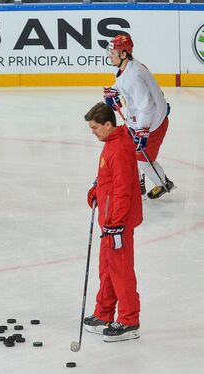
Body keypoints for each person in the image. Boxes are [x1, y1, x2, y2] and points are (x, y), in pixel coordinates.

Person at [84, 102, 143, 343]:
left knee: (120, 271)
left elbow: (123, 189)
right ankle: (104, 313)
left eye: (96, 128)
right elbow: (109, 180)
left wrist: (116, 223)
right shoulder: (110, 144)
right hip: (108, 221)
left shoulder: (118, 148)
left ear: (109, 124)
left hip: (117, 223)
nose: (93, 132)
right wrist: (97, 189)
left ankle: (129, 321)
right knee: (107, 269)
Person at [103, 33, 174, 199]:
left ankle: (163, 183)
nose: (110, 56)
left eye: (113, 53)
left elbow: (146, 107)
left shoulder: (133, 75)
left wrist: (143, 131)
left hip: (152, 124)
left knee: (143, 160)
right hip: (145, 119)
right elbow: (123, 83)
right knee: (129, 150)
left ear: (123, 54)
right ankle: (139, 181)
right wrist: (114, 90)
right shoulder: (128, 67)